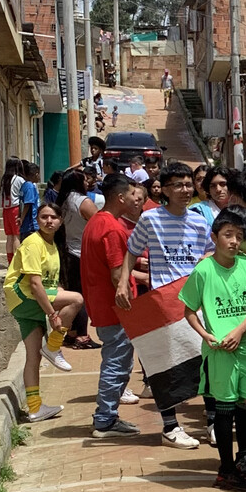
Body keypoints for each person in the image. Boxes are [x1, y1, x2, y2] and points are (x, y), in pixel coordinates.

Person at [114, 162, 212, 447]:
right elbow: (131, 252)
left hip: (195, 301)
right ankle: (170, 427)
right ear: (164, 190)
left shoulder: (199, 221)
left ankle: (214, 422)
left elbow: (207, 253)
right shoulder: (150, 219)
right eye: (178, 185)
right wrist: (123, 283)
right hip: (162, 304)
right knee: (162, 365)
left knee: (206, 359)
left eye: (188, 184)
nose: (185, 190)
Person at [180, 207, 246, 489]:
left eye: (238, 236)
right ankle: (225, 467)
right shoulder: (203, 270)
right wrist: (206, 335)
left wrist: (239, 331)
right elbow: (189, 310)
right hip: (219, 351)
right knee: (224, 407)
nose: (233, 241)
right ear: (214, 237)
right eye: (228, 235)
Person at [4, 200, 83, 422]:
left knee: (32, 357)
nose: (49, 221)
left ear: (60, 221)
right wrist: (53, 315)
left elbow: (52, 285)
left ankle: (35, 407)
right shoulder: (33, 243)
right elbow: (36, 284)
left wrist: (55, 310)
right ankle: (53, 346)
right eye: (44, 217)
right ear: (37, 220)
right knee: (77, 299)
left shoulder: (53, 247)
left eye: (53, 217)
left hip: (32, 300)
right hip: (23, 296)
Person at [81, 171, 145, 439]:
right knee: (117, 363)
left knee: (116, 360)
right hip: (115, 307)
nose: (136, 198)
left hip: (102, 304)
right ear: (120, 197)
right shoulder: (112, 228)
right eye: (132, 194)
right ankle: (105, 419)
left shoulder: (96, 222)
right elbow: (117, 274)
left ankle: (107, 417)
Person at [56, 167, 99, 343]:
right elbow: (100, 223)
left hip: (65, 252)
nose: (87, 182)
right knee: (82, 295)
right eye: (84, 180)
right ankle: (82, 335)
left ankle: (72, 332)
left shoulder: (62, 201)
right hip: (81, 253)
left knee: (72, 292)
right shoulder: (83, 201)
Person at [0, 160, 22, 257]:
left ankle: (9, 261)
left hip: (6, 209)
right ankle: (17, 261)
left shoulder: (4, 179)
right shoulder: (19, 179)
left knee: (9, 236)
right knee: (17, 236)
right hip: (15, 209)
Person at [18, 161, 41, 240]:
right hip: (30, 225)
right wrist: (22, 218)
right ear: (36, 174)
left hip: (27, 225)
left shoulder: (25, 185)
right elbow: (28, 204)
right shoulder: (30, 186)